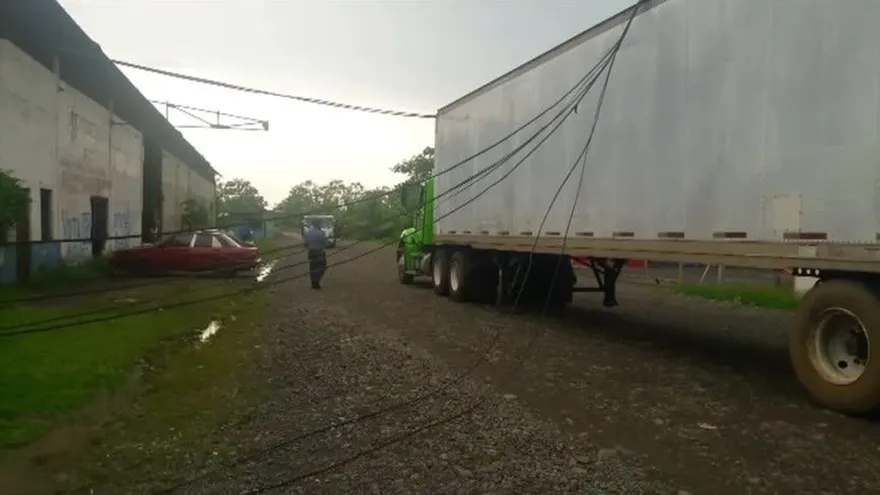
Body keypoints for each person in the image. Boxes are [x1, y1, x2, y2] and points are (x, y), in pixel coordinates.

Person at [304, 219, 327, 289]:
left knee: (313, 267)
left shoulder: (309, 233)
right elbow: (325, 243)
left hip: (311, 252)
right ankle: (317, 281)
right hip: (320, 252)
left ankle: (314, 282)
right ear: (319, 225)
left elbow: (306, 243)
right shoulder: (322, 233)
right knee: (322, 267)